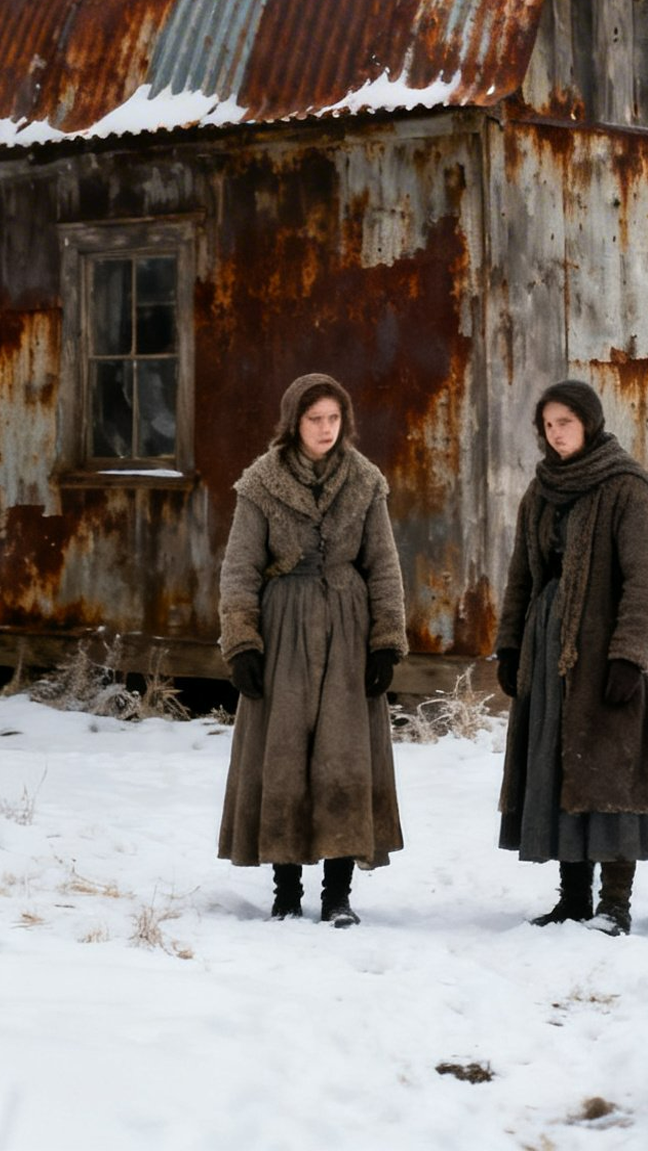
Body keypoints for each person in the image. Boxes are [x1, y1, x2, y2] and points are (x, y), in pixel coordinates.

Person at [216, 373, 407, 925]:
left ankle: (338, 893)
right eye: (314, 419)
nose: (325, 429)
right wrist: (242, 643)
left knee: (343, 755)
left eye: (333, 419)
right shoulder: (262, 482)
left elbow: (385, 566)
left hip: (349, 628)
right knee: (284, 755)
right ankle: (285, 889)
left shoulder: (365, 481)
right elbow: (240, 568)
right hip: (283, 630)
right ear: (293, 423)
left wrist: (386, 643)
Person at [494, 379, 648, 935]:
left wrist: (629, 655)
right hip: (549, 652)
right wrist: (509, 646)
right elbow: (521, 578)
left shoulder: (625, 487)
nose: (556, 434)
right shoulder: (542, 490)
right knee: (558, 766)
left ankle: (614, 904)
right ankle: (572, 898)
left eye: (565, 423)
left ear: (590, 423)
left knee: (612, 773)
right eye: (548, 425)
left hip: (605, 655)